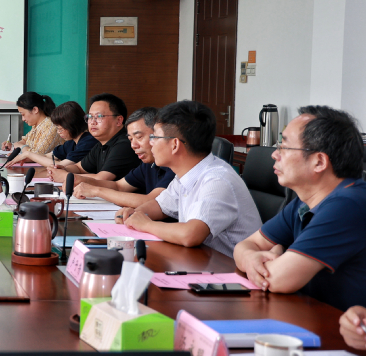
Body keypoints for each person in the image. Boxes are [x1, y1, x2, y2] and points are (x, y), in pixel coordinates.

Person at [234, 106, 366, 310]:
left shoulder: (348, 205)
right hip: (307, 314)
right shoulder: (304, 202)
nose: (274, 154)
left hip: (339, 327)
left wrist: (277, 256)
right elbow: (245, 245)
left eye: (284, 147)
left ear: (319, 161)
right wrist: (251, 258)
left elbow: (277, 279)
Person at [119, 100, 261, 256]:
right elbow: (160, 206)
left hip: (229, 267)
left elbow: (190, 235)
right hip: (201, 260)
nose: (151, 143)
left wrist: (145, 224)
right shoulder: (185, 174)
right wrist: (135, 214)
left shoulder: (217, 180)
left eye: (155, 137)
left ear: (174, 144)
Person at [72, 107, 173, 208]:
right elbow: (119, 186)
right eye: (130, 139)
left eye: (139, 137)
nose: (133, 145)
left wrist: (97, 191)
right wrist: (82, 181)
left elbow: (153, 202)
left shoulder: (174, 166)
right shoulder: (149, 164)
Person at [47, 93, 141, 184]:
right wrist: (62, 169)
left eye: (99, 116)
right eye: (90, 116)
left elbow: (102, 178)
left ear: (119, 120)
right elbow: (79, 168)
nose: (92, 122)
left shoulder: (125, 144)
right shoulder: (101, 144)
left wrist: (66, 176)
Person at [6, 101, 98, 169]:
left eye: (60, 129)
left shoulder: (88, 141)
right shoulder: (71, 143)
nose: (58, 132)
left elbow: (59, 166)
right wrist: (27, 158)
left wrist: (28, 154)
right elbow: (47, 156)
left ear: (72, 126)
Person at [0, 92, 62, 156]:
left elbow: (37, 155)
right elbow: (25, 141)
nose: (23, 119)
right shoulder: (37, 125)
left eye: (23, 114)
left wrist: (20, 146)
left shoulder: (51, 126)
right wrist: (12, 146)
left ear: (35, 110)